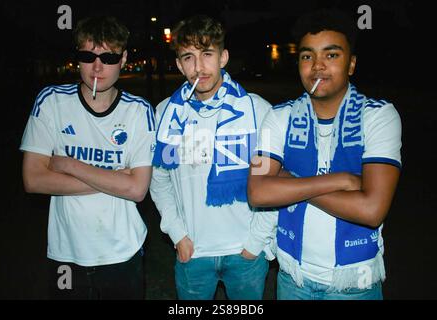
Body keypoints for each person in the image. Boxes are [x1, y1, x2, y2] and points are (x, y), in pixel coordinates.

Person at [248, 8, 402, 300]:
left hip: (356, 283)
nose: (317, 66)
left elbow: (372, 210)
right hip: (293, 279)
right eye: (307, 56)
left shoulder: (380, 116)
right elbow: (257, 192)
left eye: (331, 55)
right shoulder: (276, 117)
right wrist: (341, 180)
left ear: (351, 64)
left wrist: (290, 184)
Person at [20, 15, 155, 300]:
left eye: (108, 57)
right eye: (87, 55)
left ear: (123, 58)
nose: (97, 67)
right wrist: (116, 178)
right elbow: (33, 179)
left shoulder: (139, 111)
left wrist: (70, 166)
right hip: (67, 253)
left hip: (122, 252)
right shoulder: (52, 102)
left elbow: (137, 190)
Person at [149, 14, 275, 300]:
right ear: (179, 64)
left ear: (223, 57)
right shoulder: (166, 115)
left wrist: (255, 243)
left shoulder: (257, 111)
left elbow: (271, 182)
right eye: (188, 57)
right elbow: (160, 180)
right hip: (193, 253)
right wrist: (178, 235)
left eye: (207, 54)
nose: (198, 67)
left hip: (245, 254)